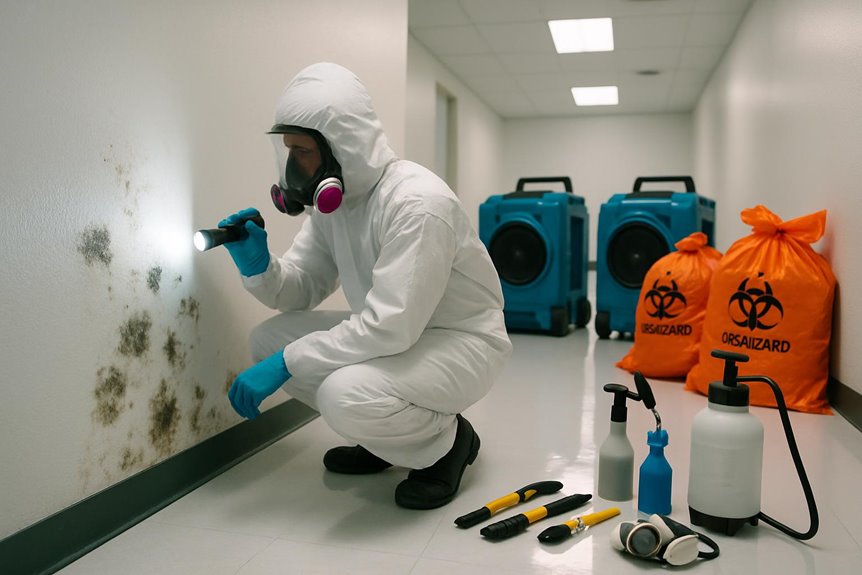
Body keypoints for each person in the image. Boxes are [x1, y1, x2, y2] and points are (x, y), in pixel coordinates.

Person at [219, 62, 512, 509]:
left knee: (342, 392)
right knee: (267, 339)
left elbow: (389, 327)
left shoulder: (417, 203)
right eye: (288, 152)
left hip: (460, 342)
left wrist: (289, 361)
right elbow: (302, 288)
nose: (293, 169)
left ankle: (447, 445)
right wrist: (259, 266)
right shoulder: (334, 205)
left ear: (341, 145)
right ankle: (385, 439)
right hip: (398, 335)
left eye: (302, 153)